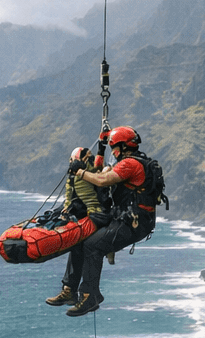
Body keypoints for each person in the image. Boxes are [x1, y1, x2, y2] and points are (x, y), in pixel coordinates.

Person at [59, 126, 160, 317]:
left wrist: (79, 172)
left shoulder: (129, 164)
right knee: (81, 238)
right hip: (133, 219)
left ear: (123, 147)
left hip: (132, 222)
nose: (113, 152)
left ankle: (90, 296)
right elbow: (101, 171)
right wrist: (101, 147)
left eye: (114, 147)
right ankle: (70, 289)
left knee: (92, 245)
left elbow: (102, 180)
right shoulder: (134, 161)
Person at [45, 146, 112, 308]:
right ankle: (72, 291)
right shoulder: (84, 174)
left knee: (81, 247)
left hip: (97, 216)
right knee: (78, 248)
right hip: (92, 216)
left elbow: (96, 182)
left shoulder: (90, 173)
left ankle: (79, 292)